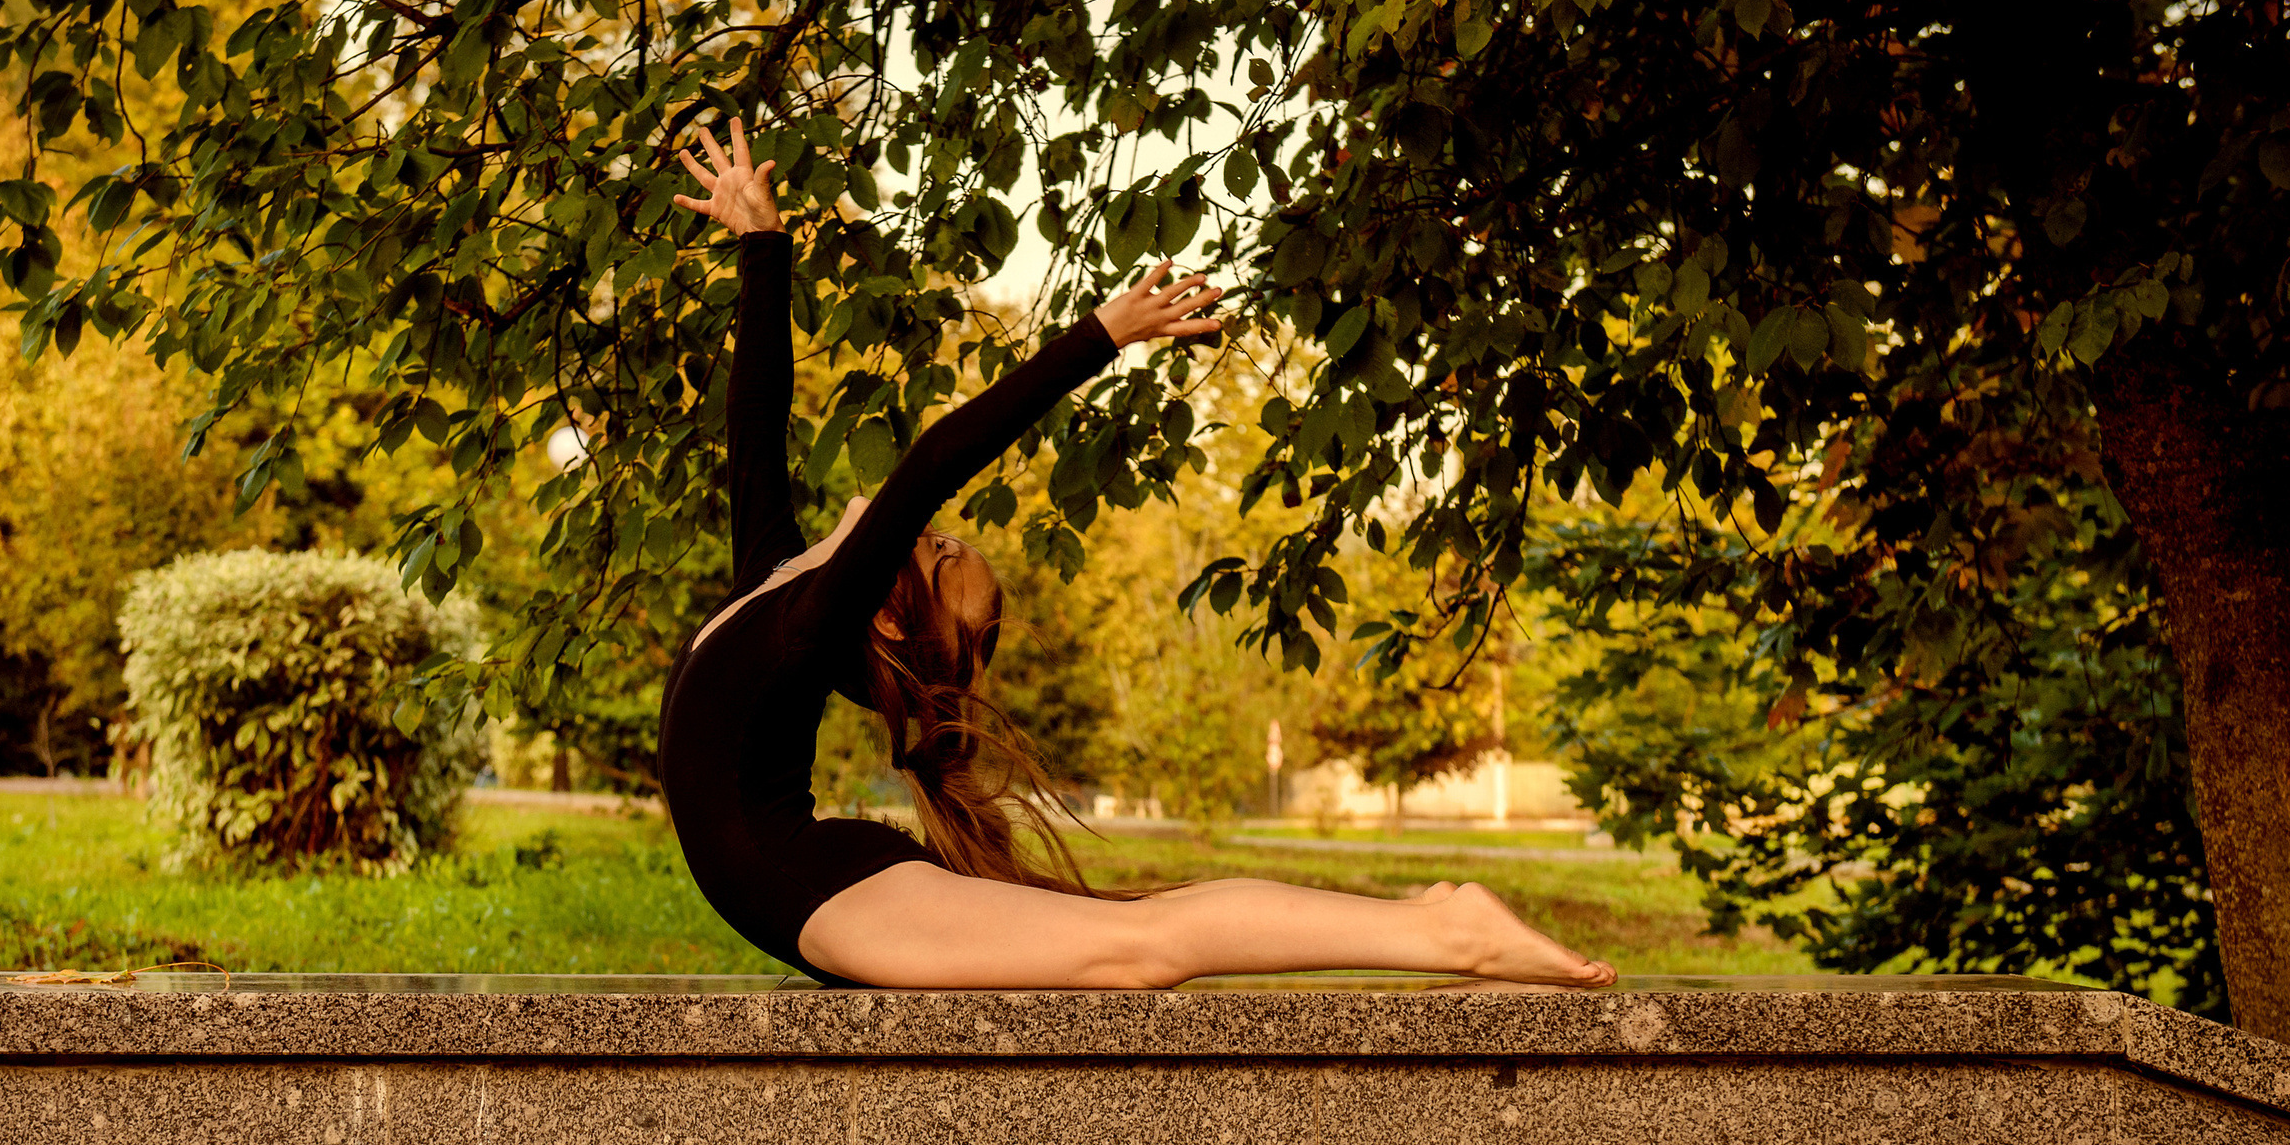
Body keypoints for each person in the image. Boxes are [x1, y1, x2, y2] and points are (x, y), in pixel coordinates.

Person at [658, 117, 1617, 992]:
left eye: (940, 548)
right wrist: (762, 241)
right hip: (823, 889)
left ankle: (1452, 934)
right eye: (947, 544)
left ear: (889, 607)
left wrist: (1103, 335)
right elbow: (759, 416)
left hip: (826, 896)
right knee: (1136, 938)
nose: (936, 530)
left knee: (1141, 945)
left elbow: (934, 458)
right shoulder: (779, 587)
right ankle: (1442, 925)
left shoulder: (800, 622)